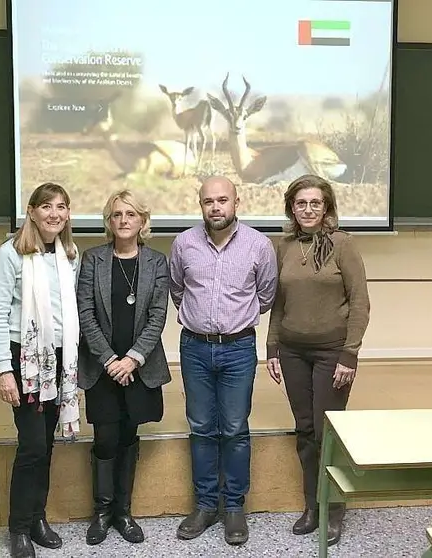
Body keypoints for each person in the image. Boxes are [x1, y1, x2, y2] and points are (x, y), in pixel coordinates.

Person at [169, 176, 278, 545]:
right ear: (200, 205)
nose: (216, 208)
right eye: (208, 202)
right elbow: (177, 290)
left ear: (236, 202)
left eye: (222, 200)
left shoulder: (258, 245)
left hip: (238, 348)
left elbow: (265, 295)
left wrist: (233, 321)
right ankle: (205, 505)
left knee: (234, 428)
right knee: (201, 427)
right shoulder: (184, 243)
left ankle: (233, 506)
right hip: (195, 348)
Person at [265, 174, 371, 546]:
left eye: (315, 203)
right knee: (305, 430)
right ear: (291, 208)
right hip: (293, 351)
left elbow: (360, 302)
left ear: (326, 208)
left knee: (328, 433)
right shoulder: (283, 246)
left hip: (332, 354)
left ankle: (334, 509)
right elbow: (279, 302)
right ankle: (312, 505)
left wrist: (349, 353)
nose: (308, 209)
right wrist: (273, 347)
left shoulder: (343, 245)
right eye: (300, 203)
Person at [0, 182, 81, 558]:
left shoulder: (69, 254)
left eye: (61, 207)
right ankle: (19, 528)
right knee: (31, 446)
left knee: (48, 443)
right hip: (25, 359)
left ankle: (38, 516)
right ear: (31, 211)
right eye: (46, 207)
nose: (54, 214)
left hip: (59, 360)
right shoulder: (10, 253)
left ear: (68, 214)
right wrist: (2, 370)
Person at [76, 189, 171, 546]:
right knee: (105, 438)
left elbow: (158, 315)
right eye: (116, 215)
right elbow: (85, 313)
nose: (123, 221)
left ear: (142, 221)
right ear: (109, 222)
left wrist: (132, 358)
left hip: (139, 367)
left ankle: (124, 513)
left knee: (130, 436)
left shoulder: (156, 262)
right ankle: (101, 513)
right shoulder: (94, 259)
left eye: (131, 214)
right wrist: (111, 360)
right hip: (104, 368)